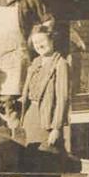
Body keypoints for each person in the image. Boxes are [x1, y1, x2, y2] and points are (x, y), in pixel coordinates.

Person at [20, 25, 70, 153]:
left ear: (52, 40)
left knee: (45, 157)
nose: (39, 45)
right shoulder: (35, 62)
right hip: (30, 117)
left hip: (47, 119)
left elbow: (62, 99)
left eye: (42, 41)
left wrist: (56, 128)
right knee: (28, 156)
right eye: (36, 42)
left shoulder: (60, 64)